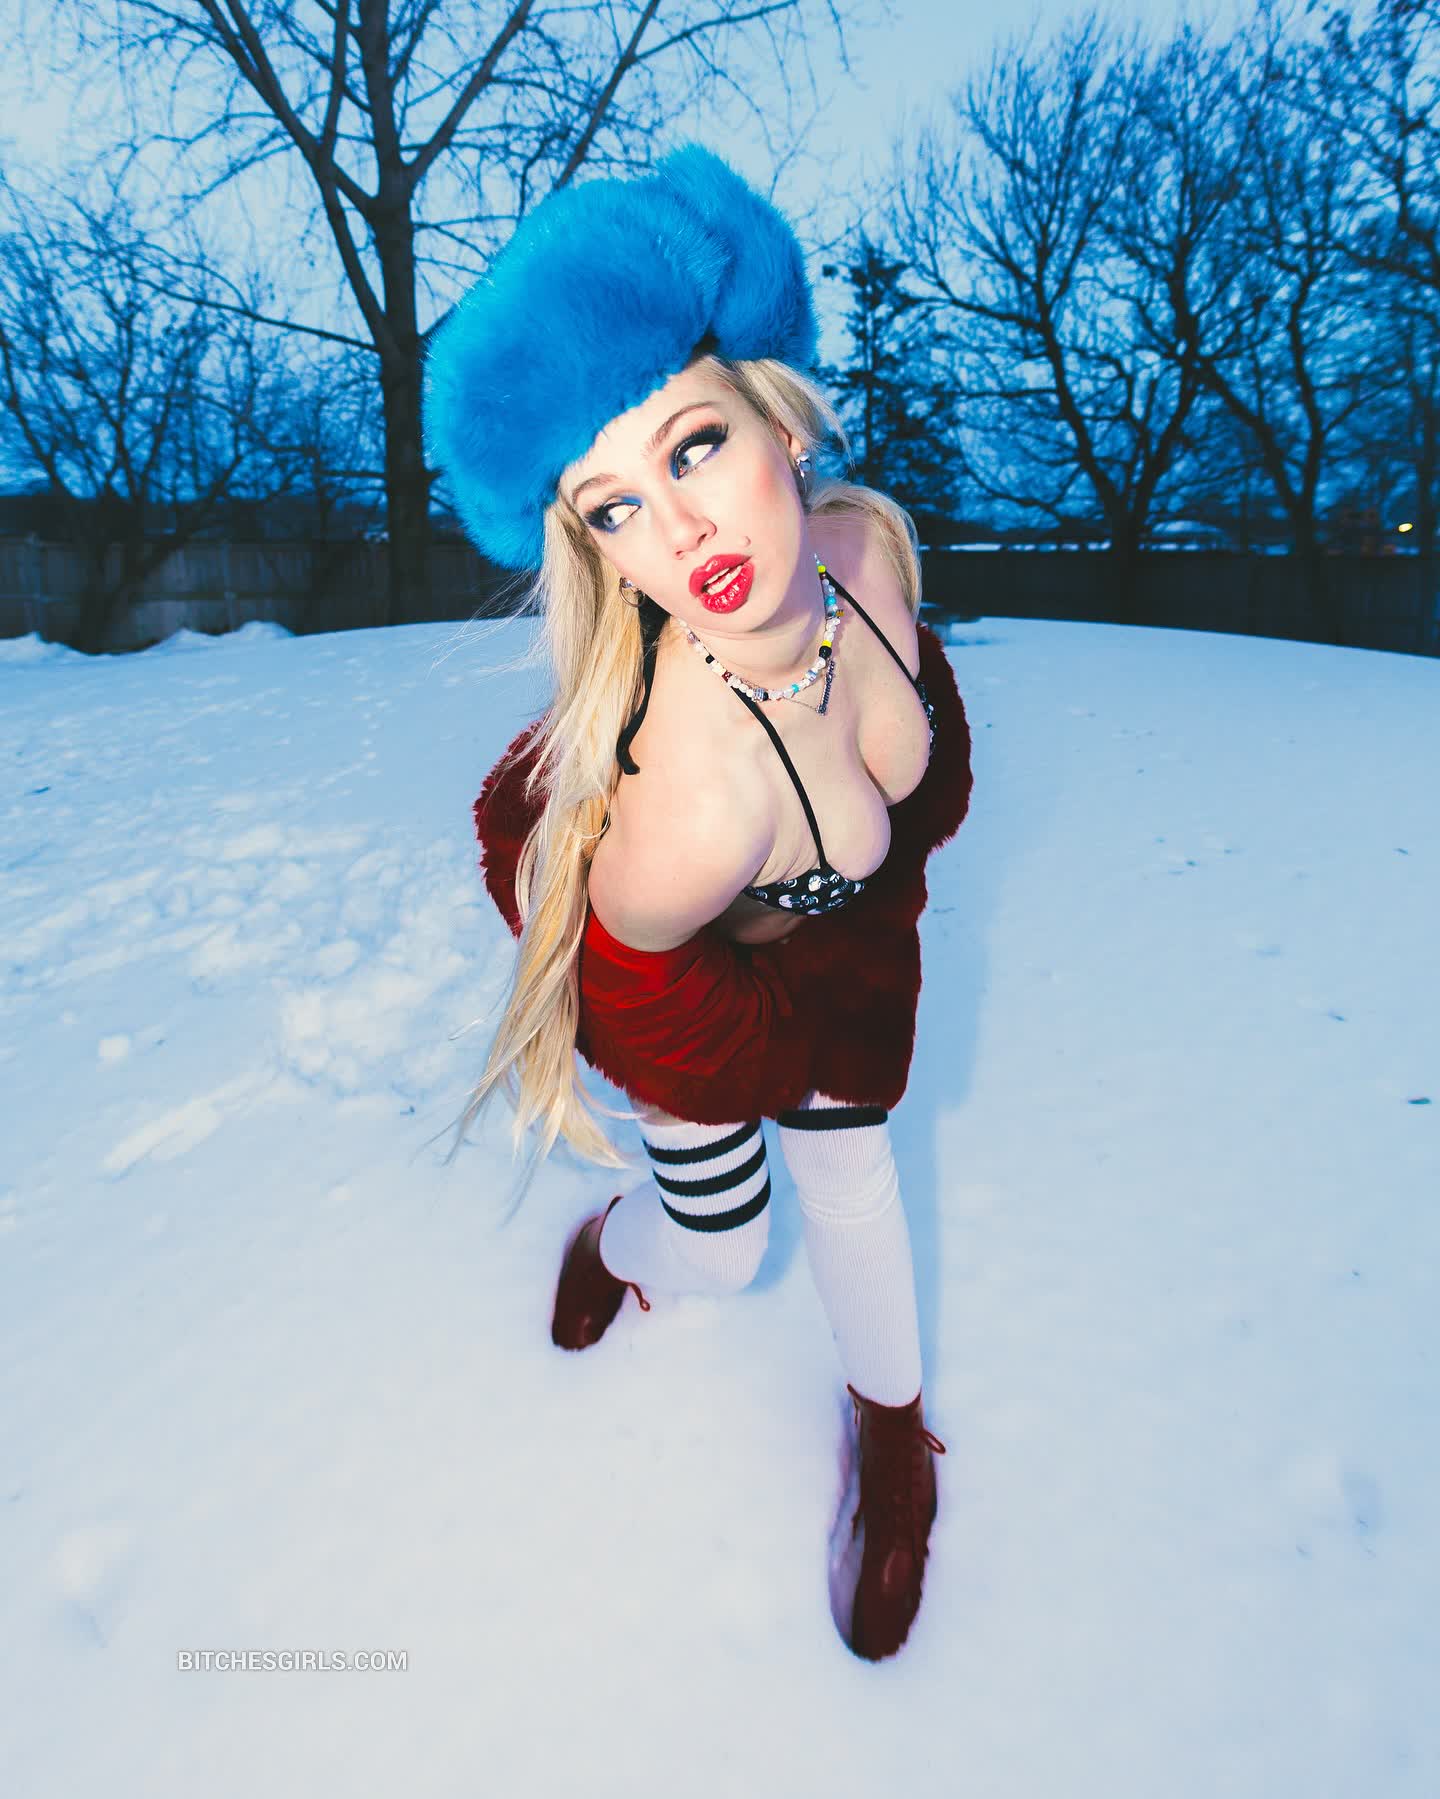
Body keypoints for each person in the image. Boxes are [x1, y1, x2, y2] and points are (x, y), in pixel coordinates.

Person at [424, 144, 973, 1662]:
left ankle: (894, 1430)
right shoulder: (681, 814)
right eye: (610, 509)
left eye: (693, 447)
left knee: (856, 1172)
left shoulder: (863, 548)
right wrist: (783, 1044)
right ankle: (623, 1243)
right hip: (701, 1007)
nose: (676, 537)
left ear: (779, 419)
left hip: (842, 946)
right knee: (727, 1251)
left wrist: (854, 976)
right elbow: (652, 1010)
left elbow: (906, 774)